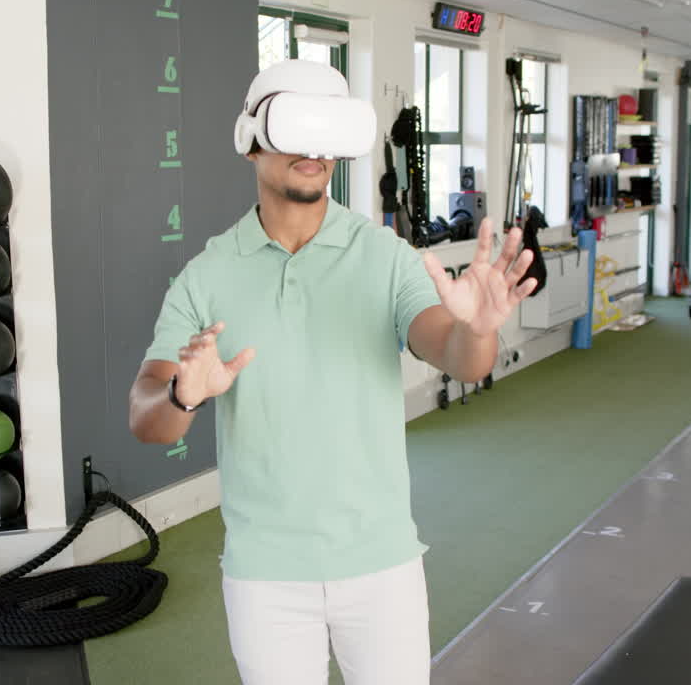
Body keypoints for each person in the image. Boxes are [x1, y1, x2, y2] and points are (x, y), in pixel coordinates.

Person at [129, 59, 536, 685]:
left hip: (381, 564)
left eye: (327, 129)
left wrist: (476, 328)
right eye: (296, 125)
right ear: (250, 140)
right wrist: (184, 395)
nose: (314, 149)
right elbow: (146, 416)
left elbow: (457, 354)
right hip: (265, 573)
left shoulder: (387, 257)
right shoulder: (205, 277)